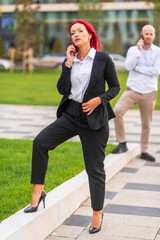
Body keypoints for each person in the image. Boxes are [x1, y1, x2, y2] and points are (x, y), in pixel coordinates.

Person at [24, 20, 120, 234]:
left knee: (94, 168)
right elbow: (62, 89)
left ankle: (97, 214)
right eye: (72, 32)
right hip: (71, 115)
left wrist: (99, 100)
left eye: (80, 31)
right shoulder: (71, 60)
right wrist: (67, 65)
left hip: (94, 118)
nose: (76, 35)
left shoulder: (102, 58)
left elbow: (115, 87)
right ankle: (37, 195)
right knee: (40, 142)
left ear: (89, 34)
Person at [112, 25, 160, 162]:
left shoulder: (158, 51)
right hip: (132, 89)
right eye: (146, 34)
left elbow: (156, 71)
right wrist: (138, 52)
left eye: (151, 34)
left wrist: (137, 67)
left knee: (146, 123)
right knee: (117, 112)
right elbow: (127, 66)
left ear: (154, 36)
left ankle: (144, 151)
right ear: (141, 35)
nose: (149, 36)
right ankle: (122, 144)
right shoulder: (133, 50)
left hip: (149, 92)